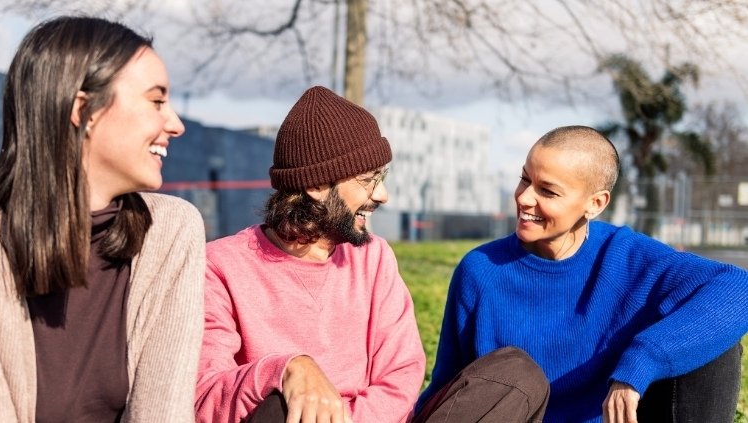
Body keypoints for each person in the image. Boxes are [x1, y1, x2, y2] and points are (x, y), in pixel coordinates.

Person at [418, 125, 748, 423]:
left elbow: (739, 288)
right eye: (524, 179)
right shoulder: (481, 271)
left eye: (547, 191)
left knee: (712, 344)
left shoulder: (625, 256)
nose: (524, 197)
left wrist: (640, 362)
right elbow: (449, 386)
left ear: (595, 203)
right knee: (515, 369)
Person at [0, 16, 205, 422]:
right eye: (156, 101)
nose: (175, 125)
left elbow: (162, 413)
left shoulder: (171, 233)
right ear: (84, 110)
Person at [195, 86, 426, 423]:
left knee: (510, 374)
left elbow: (400, 377)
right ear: (317, 186)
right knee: (278, 406)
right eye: (368, 179)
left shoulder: (374, 258)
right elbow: (205, 397)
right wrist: (286, 370)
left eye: (382, 177)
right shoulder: (218, 266)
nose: (383, 194)